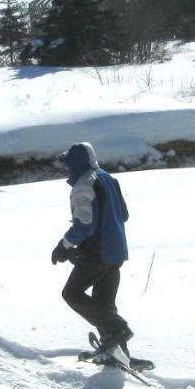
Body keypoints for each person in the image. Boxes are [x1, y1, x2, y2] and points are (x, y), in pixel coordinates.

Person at [51, 141, 132, 354]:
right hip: (117, 251)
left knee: (72, 293)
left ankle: (118, 329)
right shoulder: (108, 178)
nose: (66, 168)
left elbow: (84, 224)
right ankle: (117, 349)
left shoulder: (83, 185)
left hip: (99, 253)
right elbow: (123, 215)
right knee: (103, 306)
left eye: (67, 163)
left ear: (76, 162)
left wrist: (64, 246)